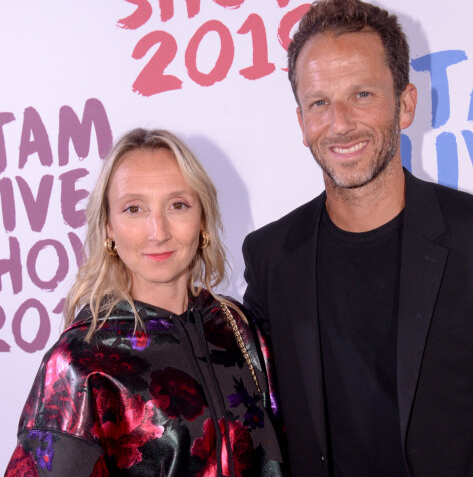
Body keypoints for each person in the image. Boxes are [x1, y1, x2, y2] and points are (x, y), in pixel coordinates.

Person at [242, 0, 473, 476]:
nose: (340, 123)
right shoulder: (272, 256)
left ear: (404, 104)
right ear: (301, 121)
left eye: (362, 94)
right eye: (320, 102)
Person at [6, 128, 285, 476]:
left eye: (178, 205)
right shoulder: (78, 365)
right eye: (134, 208)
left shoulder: (236, 326)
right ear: (109, 226)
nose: (158, 231)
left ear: (202, 220)